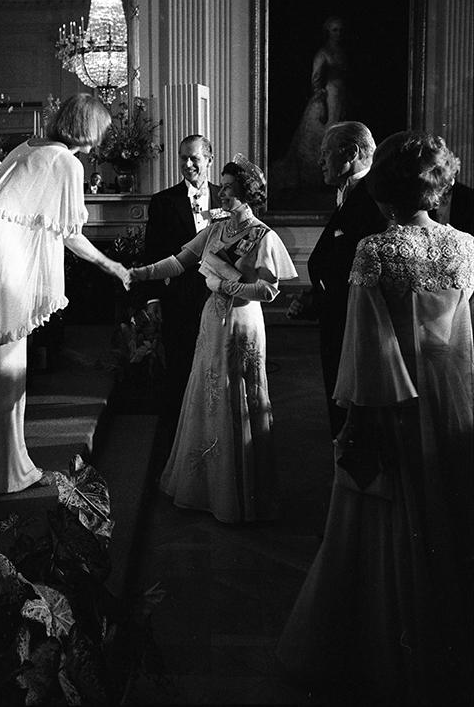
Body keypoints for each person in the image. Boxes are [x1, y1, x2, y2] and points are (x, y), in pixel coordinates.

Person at [276, 131, 474, 706]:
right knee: (449, 507)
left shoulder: (377, 251)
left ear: (384, 190)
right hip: (454, 395)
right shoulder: (465, 245)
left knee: (387, 511)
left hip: (392, 399)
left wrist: (356, 424)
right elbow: (463, 336)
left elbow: (367, 348)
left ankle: (382, 646)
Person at [0, 94, 130, 495]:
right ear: (90, 128)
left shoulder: (31, 145)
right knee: (6, 360)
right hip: (2, 252)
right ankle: (4, 472)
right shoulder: (67, 162)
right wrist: (112, 266)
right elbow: (71, 235)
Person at [131, 155, 297, 523]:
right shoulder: (216, 228)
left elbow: (269, 291)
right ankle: (206, 486)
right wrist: (139, 273)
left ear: (247, 193)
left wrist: (223, 284)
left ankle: (237, 493)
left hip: (241, 323)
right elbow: (178, 262)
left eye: (228, 189)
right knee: (207, 393)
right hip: (212, 321)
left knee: (236, 395)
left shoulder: (262, 236)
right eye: (221, 186)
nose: (220, 194)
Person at [287, 121, 386, 438]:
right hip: (338, 321)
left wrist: (319, 298)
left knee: (353, 415)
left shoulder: (373, 198)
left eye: (325, 153)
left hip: (354, 328)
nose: (319, 161)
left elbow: (356, 272)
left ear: (352, 153)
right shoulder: (351, 194)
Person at [142, 134, 221, 438]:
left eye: (194, 158)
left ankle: (213, 424)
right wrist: (152, 299)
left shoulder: (225, 199)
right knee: (180, 365)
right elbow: (153, 253)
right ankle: (179, 433)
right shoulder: (163, 202)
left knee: (215, 361)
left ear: (209, 160)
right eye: (182, 158)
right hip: (179, 298)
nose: (187, 164)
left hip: (218, 296)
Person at [270, 16, 351, 200]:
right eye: (334, 30)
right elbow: (316, 78)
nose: (338, 34)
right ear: (328, 32)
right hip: (329, 96)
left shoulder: (342, 52)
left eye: (340, 30)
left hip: (341, 96)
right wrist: (321, 100)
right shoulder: (323, 53)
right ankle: (319, 179)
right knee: (325, 137)